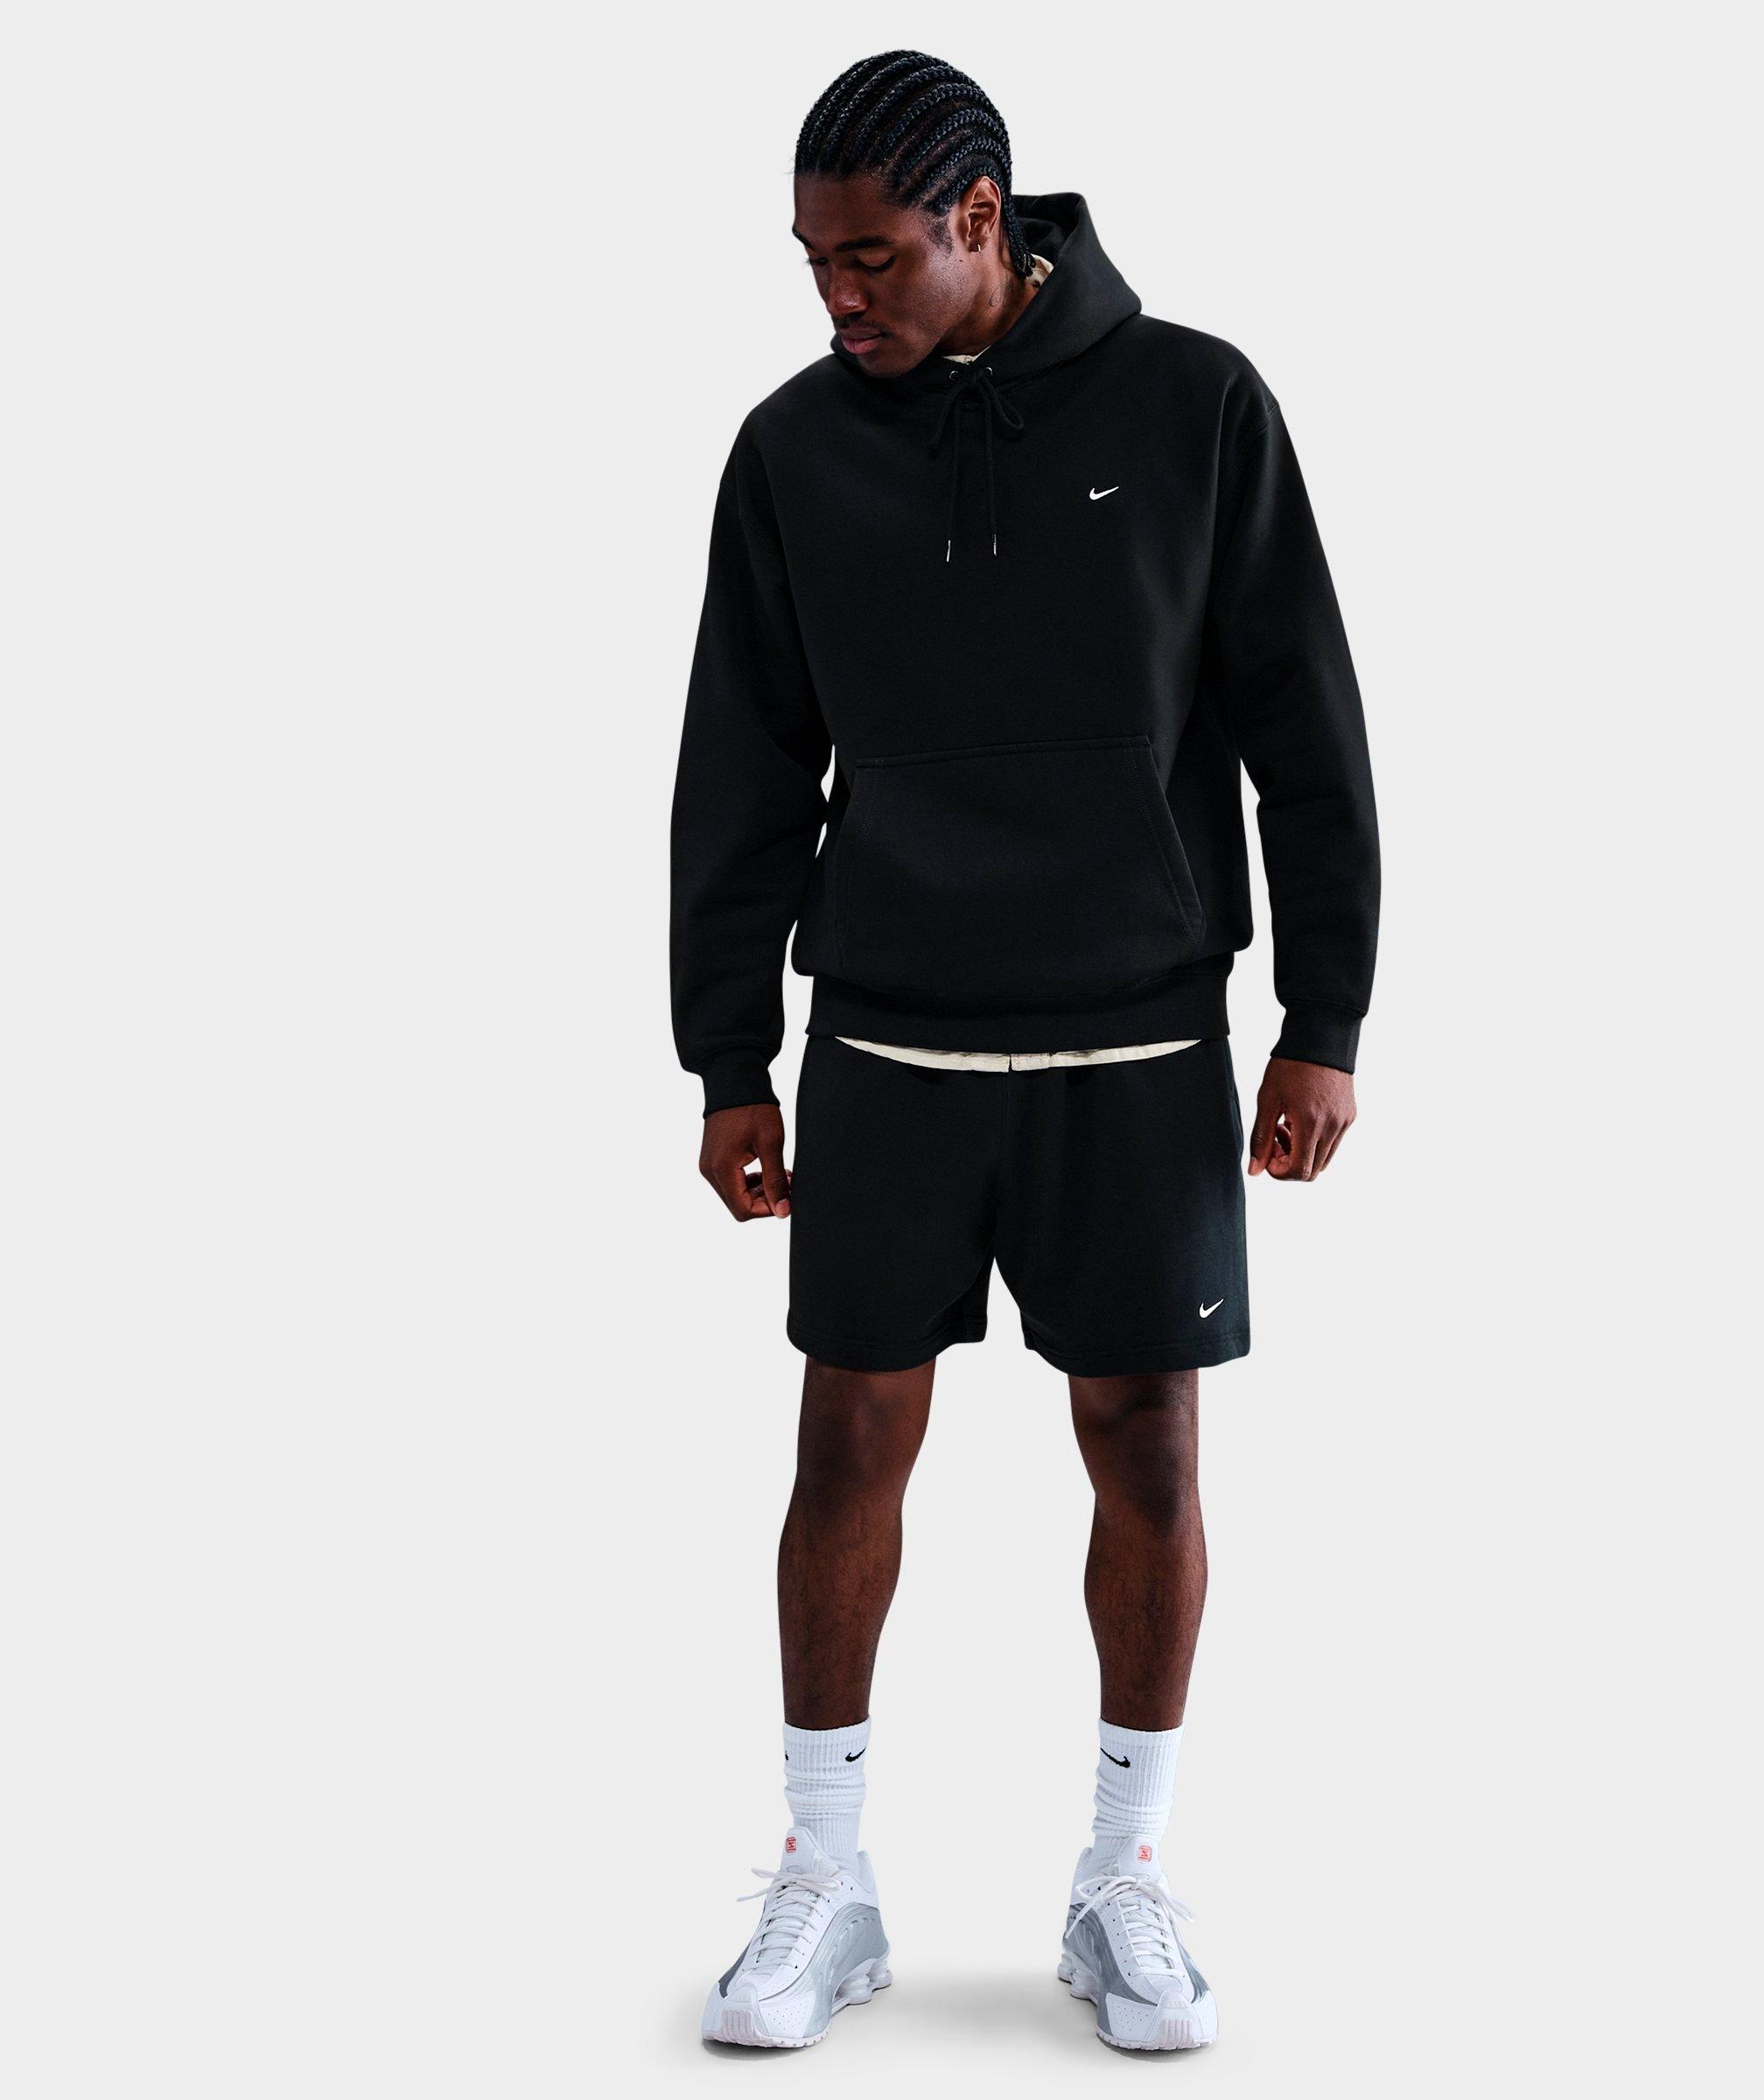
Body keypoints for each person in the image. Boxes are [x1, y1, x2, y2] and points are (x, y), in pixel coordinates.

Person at [673, 50, 1380, 2053]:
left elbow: (1307, 732)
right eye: (812, 262)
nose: (839, 297)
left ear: (983, 220)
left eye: (873, 258)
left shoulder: (1196, 407)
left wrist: (1322, 1021)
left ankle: (1123, 1878)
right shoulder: (791, 450)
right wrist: (727, 1057)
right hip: (888, 1035)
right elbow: (739, 764)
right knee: (844, 1445)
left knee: (1149, 1445)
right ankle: (825, 1878)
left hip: (1135, 1031)